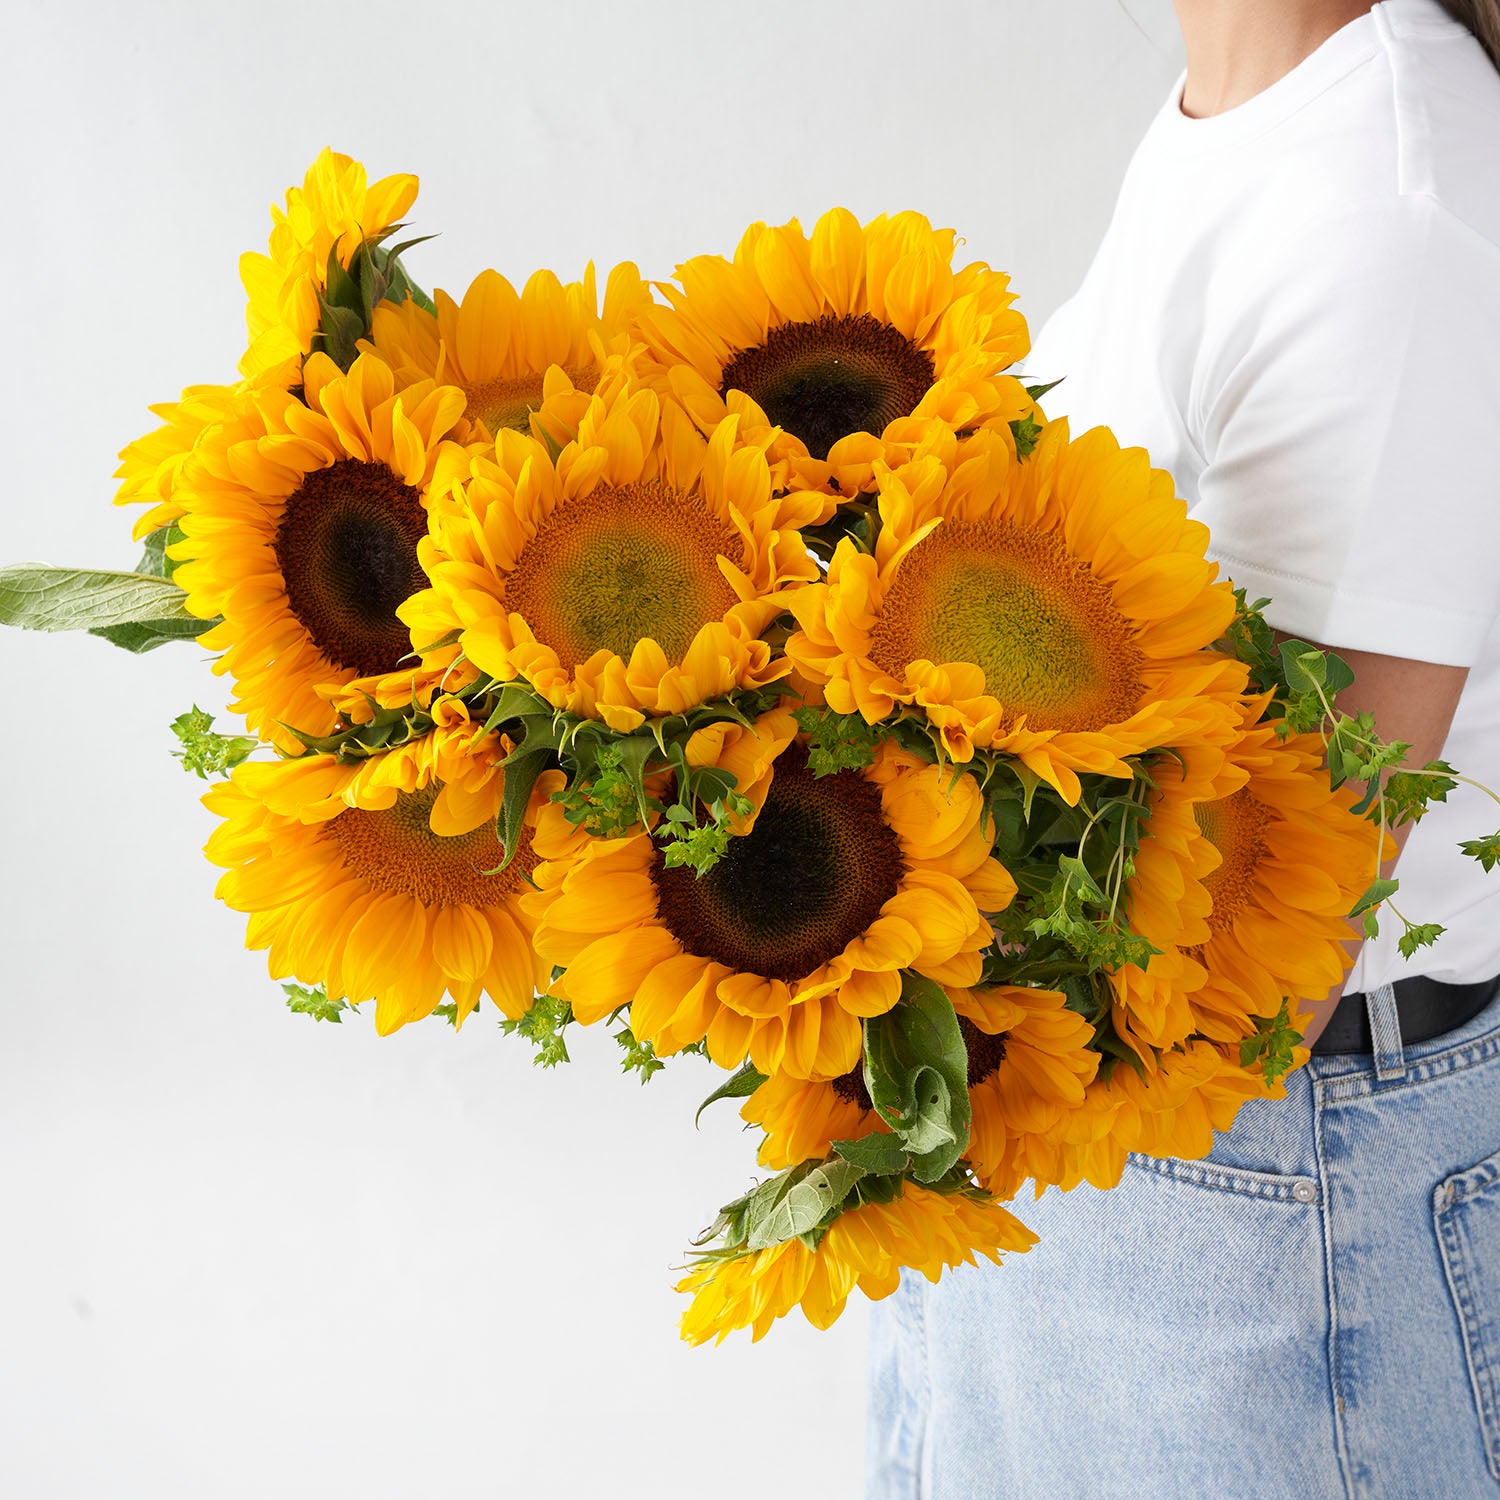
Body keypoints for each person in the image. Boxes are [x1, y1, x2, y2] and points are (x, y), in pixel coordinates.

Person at [866, 2, 1500, 1495]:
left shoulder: (1387, 209)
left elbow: (1280, 909)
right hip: (1109, 1157)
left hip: (1264, 1196)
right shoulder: (1241, 116)